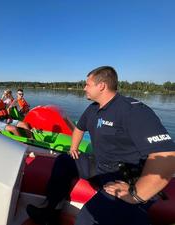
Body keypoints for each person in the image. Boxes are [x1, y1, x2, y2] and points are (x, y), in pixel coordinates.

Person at [26, 66, 175, 225]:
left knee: (88, 217)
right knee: (64, 160)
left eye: (87, 84)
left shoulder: (132, 111)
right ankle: (50, 212)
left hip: (123, 176)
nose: (84, 88)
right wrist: (73, 148)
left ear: (102, 86)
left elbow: (167, 155)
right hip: (99, 165)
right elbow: (79, 128)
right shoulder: (93, 109)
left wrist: (136, 195)